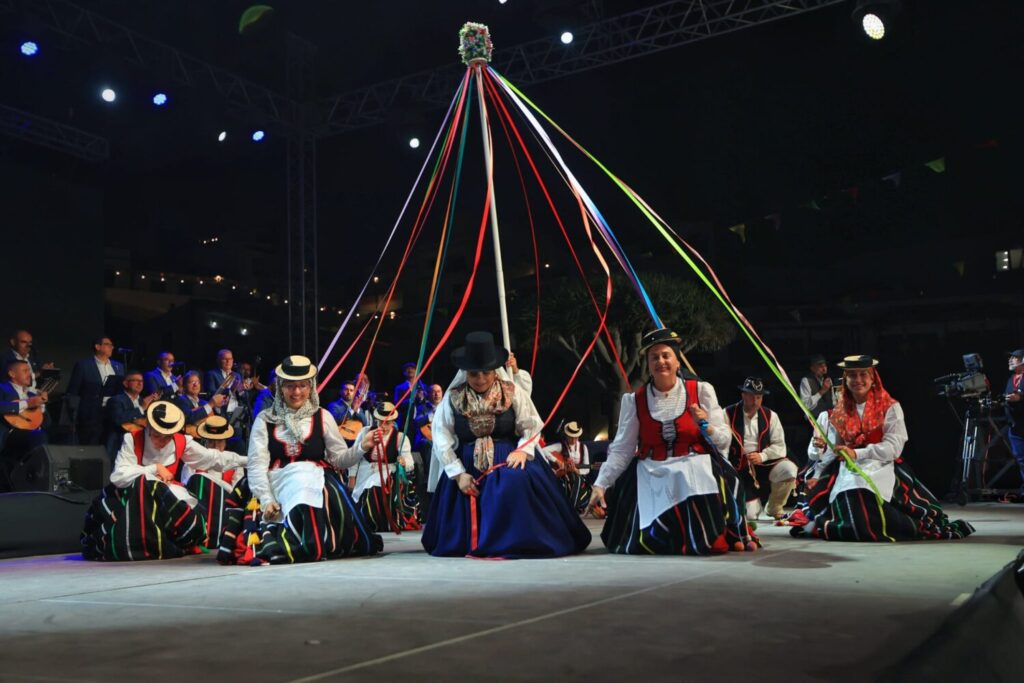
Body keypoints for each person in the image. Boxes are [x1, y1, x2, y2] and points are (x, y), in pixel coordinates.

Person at [422, 331, 591, 558]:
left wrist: (523, 451)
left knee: (514, 482)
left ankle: (515, 540)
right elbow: (441, 436)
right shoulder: (452, 398)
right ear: (465, 372)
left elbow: (530, 424)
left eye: (486, 372)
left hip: (508, 456)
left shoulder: (512, 392)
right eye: (474, 373)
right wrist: (458, 474)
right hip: (466, 462)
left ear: (494, 371)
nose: (480, 378)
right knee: (464, 492)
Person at [589, 328, 757, 555]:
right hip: (651, 468)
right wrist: (601, 484)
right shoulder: (634, 400)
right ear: (648, 364)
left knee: (692, 477)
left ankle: (720, 532)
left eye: (666, 355)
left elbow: (724, 440)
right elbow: (622, 449)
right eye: (654, 357)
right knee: (636, 532)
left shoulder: (701, 390)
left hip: (692, 463)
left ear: (678, 361)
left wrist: (706, 424)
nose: (661, 361)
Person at [221, 355, 382, 565]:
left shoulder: (323, 416)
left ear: (311, 386)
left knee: (316, 492)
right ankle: (297, 540)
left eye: (302, 386)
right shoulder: (265, 419)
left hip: (317, 477)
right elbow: (257, 464)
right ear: (280, 387)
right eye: (290, 386)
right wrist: (266, 498)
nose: (296, 392)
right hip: (275, 479)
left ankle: (309, 540)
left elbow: (340, 460)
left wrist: (362, 446)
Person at [793, 355, 974, 541]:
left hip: (882, 464)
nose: (858, 380)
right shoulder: (837, 412)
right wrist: (816, 474)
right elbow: (831, 450)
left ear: (873, 378)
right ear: (846, 379)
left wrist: (857, 452)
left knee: (871, 503)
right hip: (847, 467)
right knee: (852, 498)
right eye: (852, 375)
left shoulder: (890, 407)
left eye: (863, 374)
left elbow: (894, 447)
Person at [81, 400, 247, 560]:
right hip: (133, 501)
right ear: (149, 428)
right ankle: (139, 542)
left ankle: (166, 540)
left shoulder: (181, 442)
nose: (163, 442)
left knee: (193, 519)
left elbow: (213, 458)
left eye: (168, 437)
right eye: (158, 436)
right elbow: (119, 476)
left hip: (166, 501)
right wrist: (154, 469)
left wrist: (247, 460)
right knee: (144, 489)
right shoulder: (132, 440)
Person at [724, 377, 797, 521]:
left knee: (789, 469)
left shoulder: (771, 415)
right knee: (751, 515)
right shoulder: (727, 414)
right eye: (752, 396)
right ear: (743, 395)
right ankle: (749, 503)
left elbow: (780, 445)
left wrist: (762, 456)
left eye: (759, 397)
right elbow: (721, 442)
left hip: (763, 463)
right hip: (740, 467)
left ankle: (774, 507)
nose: (756, 401)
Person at [351, 401, 419, 532]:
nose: (383, 426)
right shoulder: (365, 432)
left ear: (393, 422)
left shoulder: (400, 437)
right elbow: (355, 455)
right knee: (360, 493)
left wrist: (404, 462)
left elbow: (409, 461)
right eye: (380, 422)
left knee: (374, 488)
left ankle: (377, 523)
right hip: (366, 471)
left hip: (388, 472)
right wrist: (352, 477)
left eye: (387, 423)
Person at [181, 415, 244, 549]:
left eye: (219, 442)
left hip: (223, 511)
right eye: (211, 442)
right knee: (198, 480)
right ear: (204, 442)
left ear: (226, 442)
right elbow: (187, 492)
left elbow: (236, 494)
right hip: (199, 508)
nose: (215, 447)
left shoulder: (234, 464)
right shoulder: (191, 463)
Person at [0, 360, 50, 490]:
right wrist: (27, 404)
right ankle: (40, 477)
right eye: (25, 371)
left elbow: (47, 422)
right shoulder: (3, 388)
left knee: (40, 434)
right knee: (38, 436)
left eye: (30, 371)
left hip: (31, 434)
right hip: (9, 434)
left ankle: (38, 478)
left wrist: (42, 406)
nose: (30, 374)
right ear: (12, 373)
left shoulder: (33, 394)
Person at [67, 336, 124, 445]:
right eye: (108, 344)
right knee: (91, 444)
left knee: (111, 444)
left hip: (113, 412)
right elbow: (73, 391)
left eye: (112, 345)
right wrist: (73, 418)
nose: (112, 347)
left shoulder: (118, 366)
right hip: (92, 414)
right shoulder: (84, 365)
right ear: (98, 347)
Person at [104, 370, 159, 462]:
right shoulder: (116, 400)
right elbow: (118, 419)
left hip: (142, 445)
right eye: (135, 380)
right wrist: (141, 408)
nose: (140, 383)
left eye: (141, 381)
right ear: (126, 383)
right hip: (120, 444)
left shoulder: (144, 400)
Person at [542, 421, 592, 513]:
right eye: (571, 438)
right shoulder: (561, 445)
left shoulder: (583, 448)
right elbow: (543, 450)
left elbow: (587, 468)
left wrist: (577, 470)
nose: (573, 440)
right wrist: (556, 460)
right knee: (563, 481)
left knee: (576, 478)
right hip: (564, 475)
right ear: (567, 436)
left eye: (575, 438)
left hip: (579, 476)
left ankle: (572, 506)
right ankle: (571, 507)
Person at [1004, 349, 1024, 499]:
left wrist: (1020, 397)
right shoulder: (1011, 379)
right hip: (1015, 426)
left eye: (1015, 357)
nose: (1011, 359)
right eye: (1010, 357)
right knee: (1021, 459)